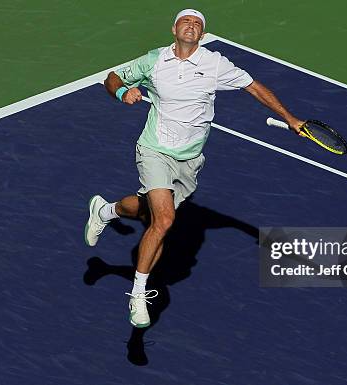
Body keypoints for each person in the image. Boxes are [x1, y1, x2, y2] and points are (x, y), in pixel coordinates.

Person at [85, 9, 304, 328]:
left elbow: (254, 87)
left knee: (148, 214)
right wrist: (122, 92)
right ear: (174, 29)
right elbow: (112, 78)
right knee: (164, 220)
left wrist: (290, 117)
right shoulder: (154, 61)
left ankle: (105, 211)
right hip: (155, 150)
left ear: (202, 34)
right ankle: (137, 295)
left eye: (198, 24)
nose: (192, 26)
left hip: (190, 160)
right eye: (186, 21)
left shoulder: (215, 64)